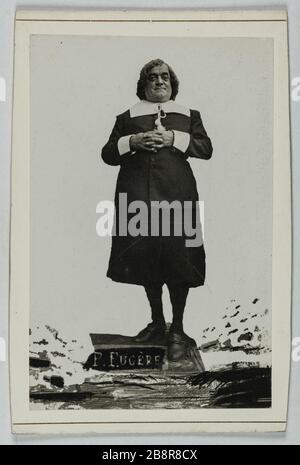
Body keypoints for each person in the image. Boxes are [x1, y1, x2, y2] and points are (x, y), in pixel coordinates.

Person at [101, 59, 213, 361]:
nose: (159, 81)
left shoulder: (189, 115)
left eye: (164, 77)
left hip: (178, 196)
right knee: (145, 257)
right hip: (136, 196)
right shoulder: (126, 117)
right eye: (152, 77)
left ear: (172, 83)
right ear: (143, 84)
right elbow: (108, 154)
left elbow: (206, 149)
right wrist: (133, 141)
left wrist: (173, 138)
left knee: (179, 258)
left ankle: (177, 328)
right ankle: (157, 323)